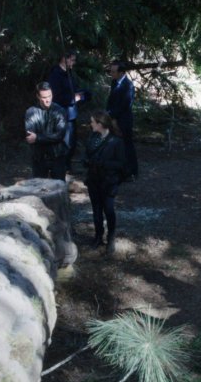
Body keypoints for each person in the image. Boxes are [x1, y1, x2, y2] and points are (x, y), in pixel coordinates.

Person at [83, 110, 126, 253]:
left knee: (108, 210)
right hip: (93, 180)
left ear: (100, 124)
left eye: (92, 122)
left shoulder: (116, 141)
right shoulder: (92, 138)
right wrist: (86, 161)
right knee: (96, 210)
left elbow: (121, 164)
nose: (91, 124)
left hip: (108, 182)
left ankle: (111, 238)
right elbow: (86, 154)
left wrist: (103, 163)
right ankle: (98, 236)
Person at [47, 51, 85, 172]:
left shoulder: (69, 73)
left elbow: (72, 88)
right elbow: (55, 96)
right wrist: (73, 98)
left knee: (71, 142)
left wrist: (81, 95)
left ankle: (67, 166)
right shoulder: (55, 74)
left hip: (71, 113)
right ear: (64, 59)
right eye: (72, 60)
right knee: (65, 142)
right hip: (61, 113)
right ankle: (60, 167)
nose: (73, 63)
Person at [25, 81, 68, 180]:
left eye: (49, 96)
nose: (47, 100)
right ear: (38, 97)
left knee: (59, 188)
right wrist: (49, 137)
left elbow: (60, 135)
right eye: (44, 97)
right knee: (39, 189)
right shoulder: (31, 112)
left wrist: (38, 137)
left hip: (57, 155)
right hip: (39, 157)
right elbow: (30, 137)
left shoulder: (60, 111)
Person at [106, 60, 137, 179]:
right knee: (116, 146)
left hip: (124, 120)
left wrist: (114, 117)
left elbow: (125, 105)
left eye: (113, 71)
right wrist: (109, 115)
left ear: (121, 73)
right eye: (111, 71)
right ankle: (120, 170)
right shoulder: (115, 82)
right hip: (113, 117)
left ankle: (131, 171)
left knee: (127, 145)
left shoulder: (128, 86)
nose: (111, 73)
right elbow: (111, 101)